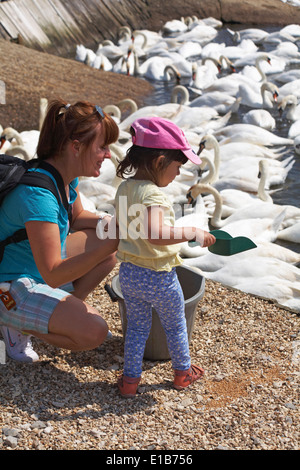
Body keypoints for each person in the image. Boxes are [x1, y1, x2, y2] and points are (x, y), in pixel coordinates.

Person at [0, 99, 119, 362]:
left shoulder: (64, 173)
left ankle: (50, 316)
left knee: (105, 251)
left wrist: (113, 224)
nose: (108, 154)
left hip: (32, 265)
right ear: (76, 147)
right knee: (94, 331)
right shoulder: (38, 196)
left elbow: (77, 217)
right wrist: (114, 242)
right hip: (10, 283)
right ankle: (16, 323)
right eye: (102, 147)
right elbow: (53, 274)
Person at [114, 116, 216, 397]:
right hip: (158, 276)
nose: (177, 174)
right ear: (160, 161)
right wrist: (191, 232)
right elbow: (156, 235)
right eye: (176, 167)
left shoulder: (124, 189)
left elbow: (122, 228)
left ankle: (130, 382)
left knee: (136, 328)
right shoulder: (154, 196)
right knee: (176, 326)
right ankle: (183, 373)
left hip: (129, 274)